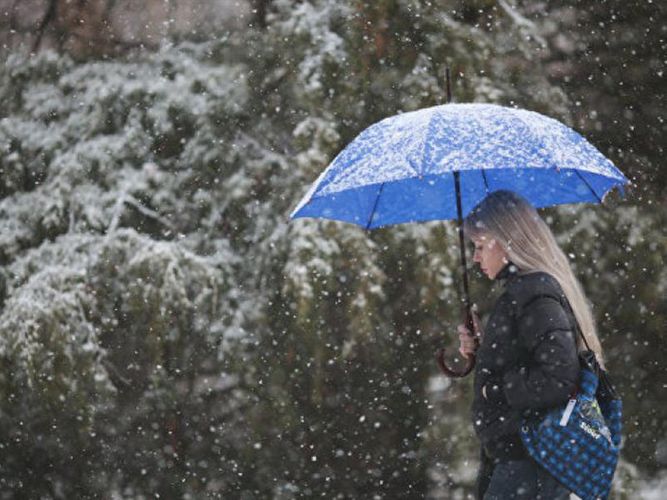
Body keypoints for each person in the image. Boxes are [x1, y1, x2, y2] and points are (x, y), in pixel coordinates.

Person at [457, 190, 606, 500]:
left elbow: (558, 379)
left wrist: (493, 389)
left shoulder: (533, 293)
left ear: (508, 241)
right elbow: (527, 358)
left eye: (481, 246)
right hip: (520, 458)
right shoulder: (523, 292)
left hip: (530, 463)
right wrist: (481, 349)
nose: (475, 257)